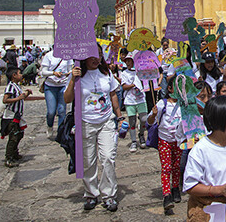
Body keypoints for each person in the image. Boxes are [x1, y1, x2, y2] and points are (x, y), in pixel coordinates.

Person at [63, 48, 124, 212]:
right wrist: (72, 80)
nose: (96, 59)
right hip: (85, 122)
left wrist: (119, 116)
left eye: (99, 55)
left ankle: (109, 195)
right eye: (92, 55)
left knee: (108, 157)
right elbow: (67, 99)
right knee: (88, 160)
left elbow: (113, 95)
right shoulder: (78, 76)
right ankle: (91, 193)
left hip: (106, 121)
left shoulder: (106, 73)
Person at [147, 75, 183, 214]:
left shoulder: (183, 104)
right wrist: (153, 114)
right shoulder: (162, 104)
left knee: (176, 166)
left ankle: (175, 189)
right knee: (166, 167)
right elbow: (150, 122)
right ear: (169, 88)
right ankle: (166, 195)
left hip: (178, 141)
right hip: (164, 140)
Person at [0, 67, 31, 168]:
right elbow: (5, 100)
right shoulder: (10, 87)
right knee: (13, 137)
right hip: (11, 116)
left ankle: (14, 153)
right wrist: (18, 98)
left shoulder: (17, 86)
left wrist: (26, 94)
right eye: (19, 73)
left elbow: (20, 98)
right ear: (14, 75)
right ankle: (9, 158)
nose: (21, 75)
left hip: (17, 115)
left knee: (19, 134)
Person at [40, 49, 73, 139]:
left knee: (62, 111)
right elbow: (43, 72)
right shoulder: (49, 56)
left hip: (63, 85)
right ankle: (49, 126)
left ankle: (60, 132)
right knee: (51, 111)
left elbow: (70, 69)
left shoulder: (67, 56)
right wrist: (53, 73)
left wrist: (68, 74)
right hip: (51, 86)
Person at [120, 51, 149, 152]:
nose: (128, 63)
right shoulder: (124, 73)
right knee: (132, 121)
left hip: (140, 99)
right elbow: (124, 86)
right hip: (130, 100)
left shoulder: (139, 72)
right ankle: (133, 141)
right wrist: (133, 85)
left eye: (130, 61)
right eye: (126, 61)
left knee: (144, 119)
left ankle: (141, 134)